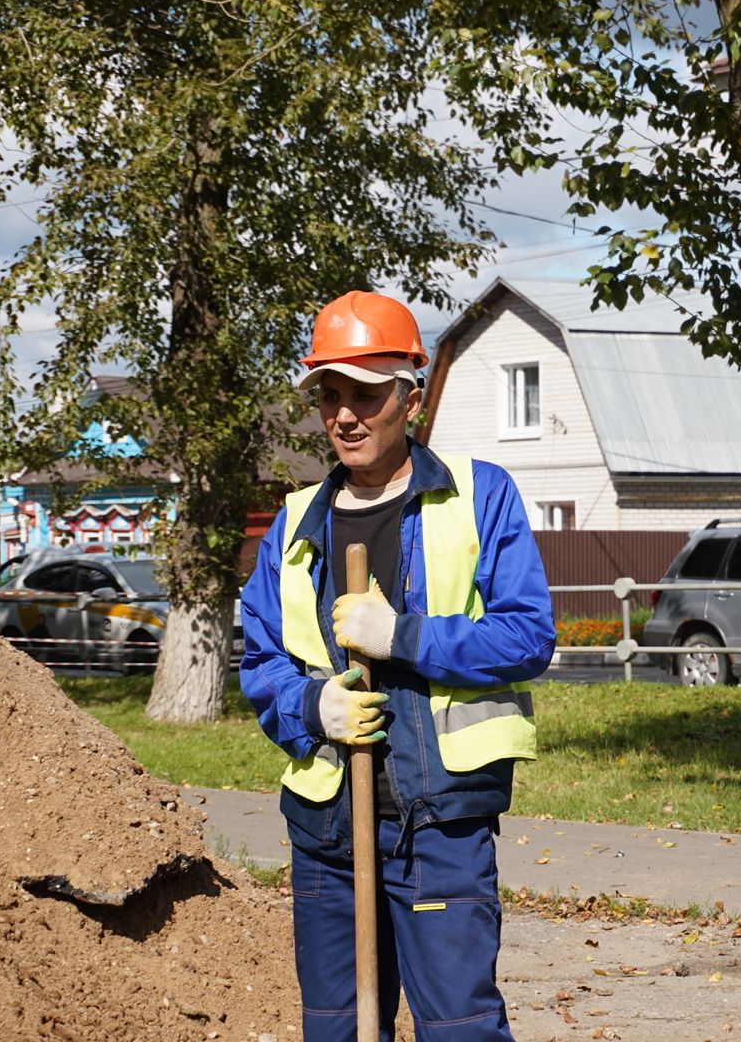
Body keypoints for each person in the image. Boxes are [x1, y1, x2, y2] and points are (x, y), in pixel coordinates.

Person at [240, 290, 556, 1042]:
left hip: (438, 825)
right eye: (331, 395)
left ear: (410, 397)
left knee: (460, 1029)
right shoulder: (293, 521)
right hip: (325, 834)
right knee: (340, 1031)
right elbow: (261, 660)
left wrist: (403, 635)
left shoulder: (478, 496)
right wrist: (312, 708)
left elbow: (526, 636)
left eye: (367, 394)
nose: (345, 415)